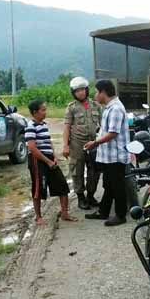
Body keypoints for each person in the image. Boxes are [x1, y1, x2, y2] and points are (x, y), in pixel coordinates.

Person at [83, 79, 131, 226]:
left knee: (117, 186)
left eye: (97, 92)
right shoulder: (109, 107)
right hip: (109, 156)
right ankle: (103, 211)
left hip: (116, 155)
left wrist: (95, 143)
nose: (95, 95)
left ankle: (120, 215)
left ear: (104, 92)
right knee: (109, 185)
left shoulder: (115, 108)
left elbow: (113, 133)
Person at [25, 100, 76, 225]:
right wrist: (47, 161)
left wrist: (54, 157)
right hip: (38, 160)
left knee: (62, 185)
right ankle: (38, 217)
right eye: (43, 110)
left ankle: (64, 213)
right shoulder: (30, 126)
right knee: (38, 188)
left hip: (49, 158)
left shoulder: (43, 124)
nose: (45, 112)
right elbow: (32, 148)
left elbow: (49, 143)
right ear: (35, 112)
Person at [62, 76, 102, 210]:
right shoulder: (71, 108)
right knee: (77, 170)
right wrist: (65, 145)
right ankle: (81, 197)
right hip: (77, 144)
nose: (80, 93)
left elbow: (102, 126)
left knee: (94, 170)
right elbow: (67, 127)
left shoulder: (96, 105)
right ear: (73, 92)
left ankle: (91, 195)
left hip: (94, 143)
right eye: (77, 90)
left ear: (86, 90)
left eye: (82, 90)